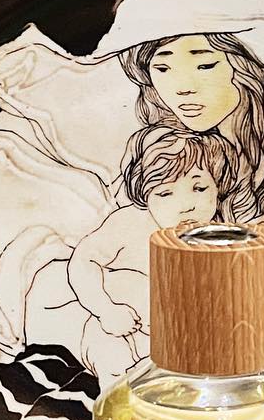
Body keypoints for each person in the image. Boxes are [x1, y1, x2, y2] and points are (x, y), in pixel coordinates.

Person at [65, 125, 234, 364]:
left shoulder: (218, 236)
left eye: (199, 188)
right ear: (145, 196)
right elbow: (83, 261)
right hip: (117, 329)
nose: (186, 205)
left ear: (218, 186)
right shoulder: (129, 223)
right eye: (165, 193)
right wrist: (106, 310)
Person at [119, 32, 264, 224]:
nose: (184, 88)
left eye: (205, 66)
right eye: (162, 69)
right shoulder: (156, 150)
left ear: (243, 67)